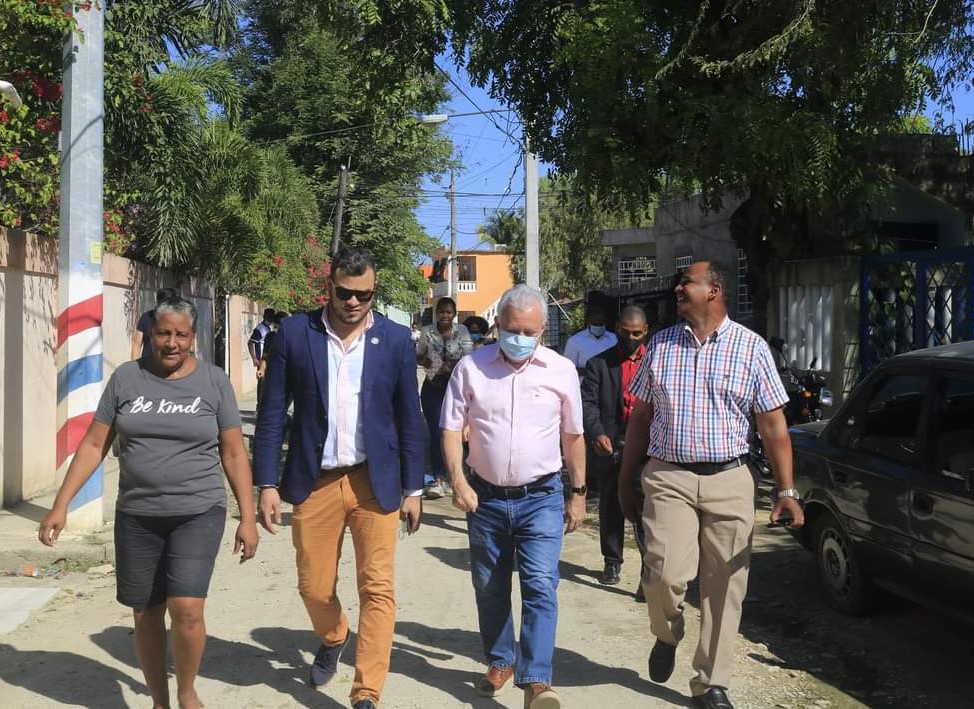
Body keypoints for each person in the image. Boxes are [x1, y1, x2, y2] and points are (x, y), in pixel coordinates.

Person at [40, 297, 259, 709]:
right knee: (145, 612)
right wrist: (61, 504)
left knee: (187, 608)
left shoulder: (214, 382)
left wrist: (247, 517)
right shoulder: (126, 379)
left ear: (193, 338)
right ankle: (160, 701)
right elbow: (94, 444)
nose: (172, 343)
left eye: (181, 335)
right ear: (150, 334)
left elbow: (233, 452)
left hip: (198, 511)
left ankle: (187, 692)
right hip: (138, 515)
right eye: (163, 334)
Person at [618, 261, 804, 709]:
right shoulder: (661, 345)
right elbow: (641, 417)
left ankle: (710, 683)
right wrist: (626, 478)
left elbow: (773, 424)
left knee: (725, 586)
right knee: (663, 574)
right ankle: (667, 633)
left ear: (714, 290)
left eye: (687, 282)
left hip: (730, 478)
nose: (678, 288)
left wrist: (786, 491)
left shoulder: (751, 348)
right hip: (669, 476)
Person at [252, 247, 425, 709]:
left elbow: (410, 418)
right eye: (345, 293)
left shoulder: (394, 340)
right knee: (313, 586)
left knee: (378, 588)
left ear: (373, 291)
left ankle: (367, 692)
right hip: (316, 480)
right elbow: (272, 415)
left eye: (363, 295)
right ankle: (334, 635)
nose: (353, 302)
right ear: (329, 286)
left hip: (375, 480)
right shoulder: (294, 333)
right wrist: (266, 483)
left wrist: (414, 488)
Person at [441, 284, 587, 709]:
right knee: (490, 586)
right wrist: (458, 480)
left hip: (541, 496)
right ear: (498, 326)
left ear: (542, 330)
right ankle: (501, 658)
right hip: (485, 498)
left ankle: (536, 679)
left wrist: (578, 492)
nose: (519, 338)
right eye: (511, 329)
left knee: (540, 584)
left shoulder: (560, 371)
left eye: (528, 331)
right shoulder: (471, 368)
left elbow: (573, 435)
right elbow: (451, 428)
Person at [580, 304, 648, 597]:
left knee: (647, 511)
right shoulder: (599, 364)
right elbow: (588, 404)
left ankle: (649, 571)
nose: (631, 338)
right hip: (611, 444)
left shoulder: (657, 363)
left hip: (647, 447)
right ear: (617, 328)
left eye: (637, 334)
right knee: (611, 504)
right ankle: (612, 561)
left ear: (645, 331)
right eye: (626, 332)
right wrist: (597, 433)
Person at [416, 297, 473, 499]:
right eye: (441, 312)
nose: (445, 315)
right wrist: (429, 361)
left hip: (457, 389)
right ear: (436, 313)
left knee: (457, 433)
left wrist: (452, 365)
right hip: (433, 388)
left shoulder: (462, 332)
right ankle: (438, 479)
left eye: (448, 312)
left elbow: (469, 357)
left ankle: (456, 476)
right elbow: (418, 355)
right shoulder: (427, 332)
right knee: (437, 432)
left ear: (454, 314)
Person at [562, 303, 618, 372]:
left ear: (605, 322)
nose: (598, 326)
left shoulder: (614, 339)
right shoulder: (575, 341)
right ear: (589, 322)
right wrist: (590, 372)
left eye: (601, 323)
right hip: (584, 378)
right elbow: (568, 367)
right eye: (595, 323)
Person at [130, 287, 177, 360]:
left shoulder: (178, 320)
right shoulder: (146, 318)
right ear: (158, 302)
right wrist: (133, 365)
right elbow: (136, 345)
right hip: (147, 364)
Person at [248, 307, 275, 405]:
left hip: (267, 360)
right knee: (262, 384)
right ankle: (259, 406)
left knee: (266, 384)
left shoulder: (268, 328)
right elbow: (250, 343)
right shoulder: (260, 329)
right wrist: (254, 358)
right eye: (271, 316)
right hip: (261, 361)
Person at [256, 311, 288, 384]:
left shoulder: (293, 338)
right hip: (273, 376)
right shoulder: (270, 337)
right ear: (274, 324)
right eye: (276, 326)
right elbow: (265, 357)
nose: (278, 329)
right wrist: (261, 369)